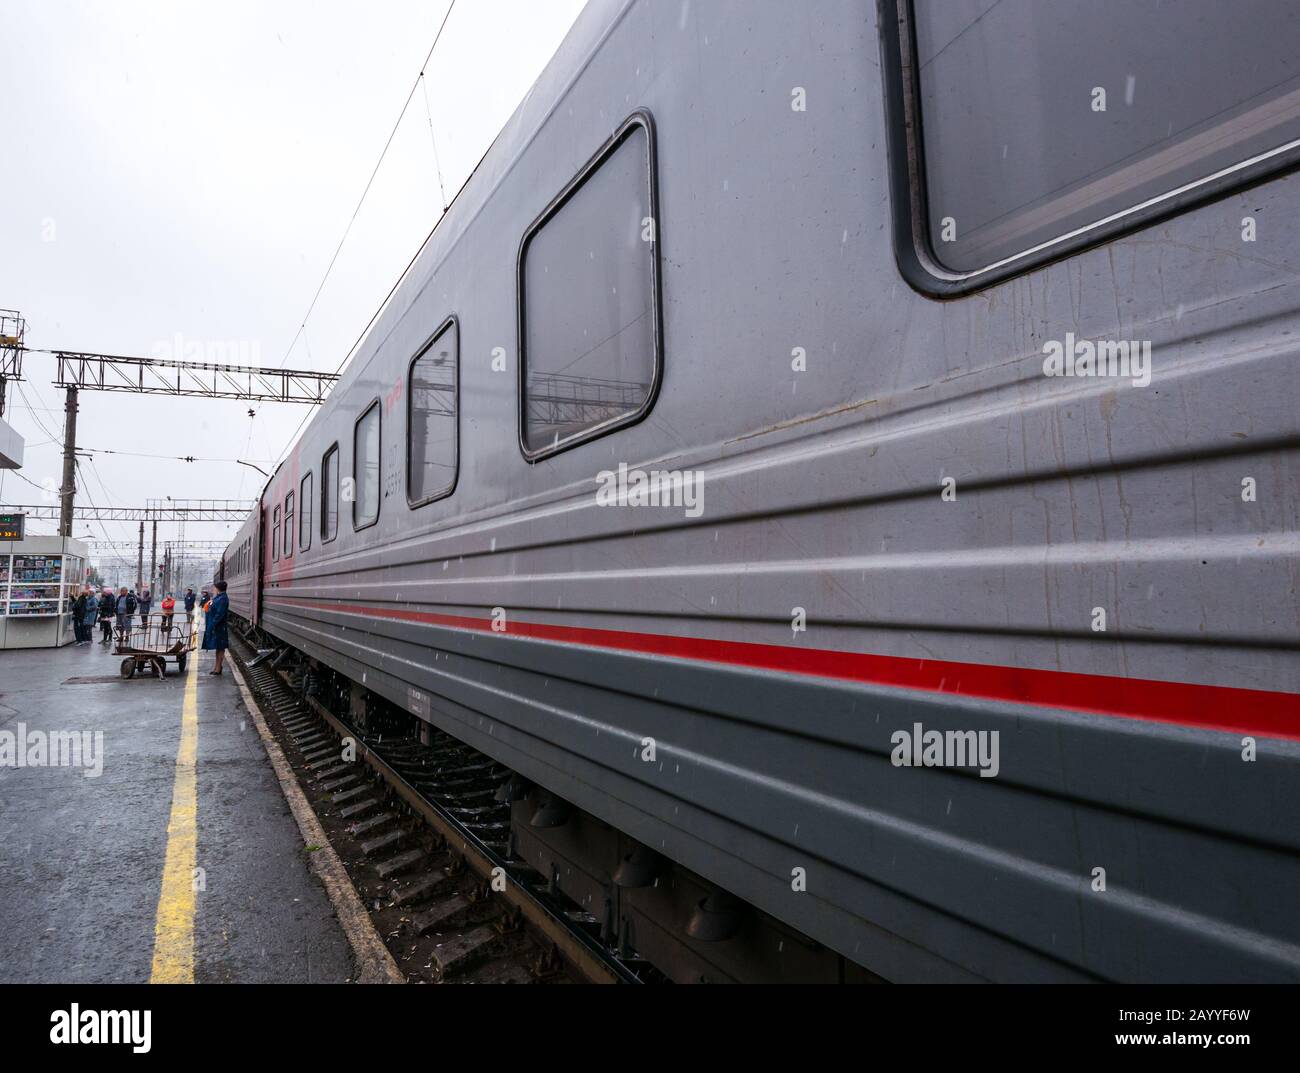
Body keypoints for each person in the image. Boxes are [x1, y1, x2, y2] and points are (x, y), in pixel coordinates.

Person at [203, 581, 229, 675]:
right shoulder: (219, 597)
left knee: (220, 647)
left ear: (218, 588)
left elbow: (220, 613)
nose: (213, 589)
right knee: (218, 647)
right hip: (216, 626)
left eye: (215, 587)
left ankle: (218, 668)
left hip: (219, 627)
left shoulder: (223, 598)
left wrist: (213, 624)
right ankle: (217, 667)